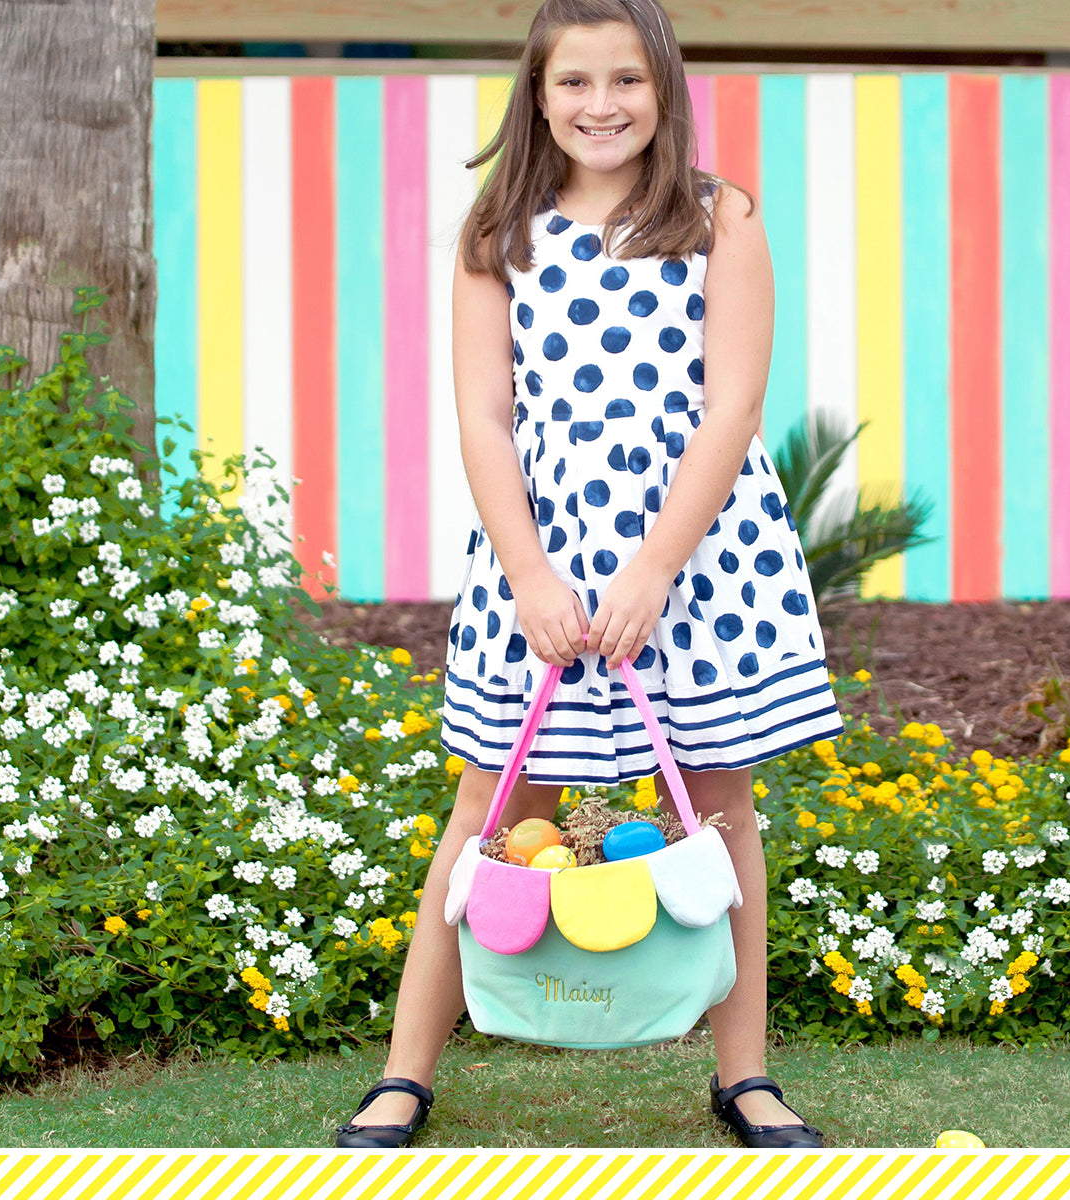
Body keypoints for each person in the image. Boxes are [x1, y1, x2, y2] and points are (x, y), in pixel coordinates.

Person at [336, 0, 844, 1150]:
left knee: (717, 812)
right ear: (538, 93)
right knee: (491, 810)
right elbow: (483, 417)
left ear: (663, 88)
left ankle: (747, 1078)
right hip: (543, 559)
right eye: (574, 81)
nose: (600, 104)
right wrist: (528, 574)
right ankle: (404, 1076)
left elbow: (732, 407)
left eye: (625, 79)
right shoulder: (497, 232)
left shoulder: (720, 217)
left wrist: (657, 567)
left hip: (699, 564)